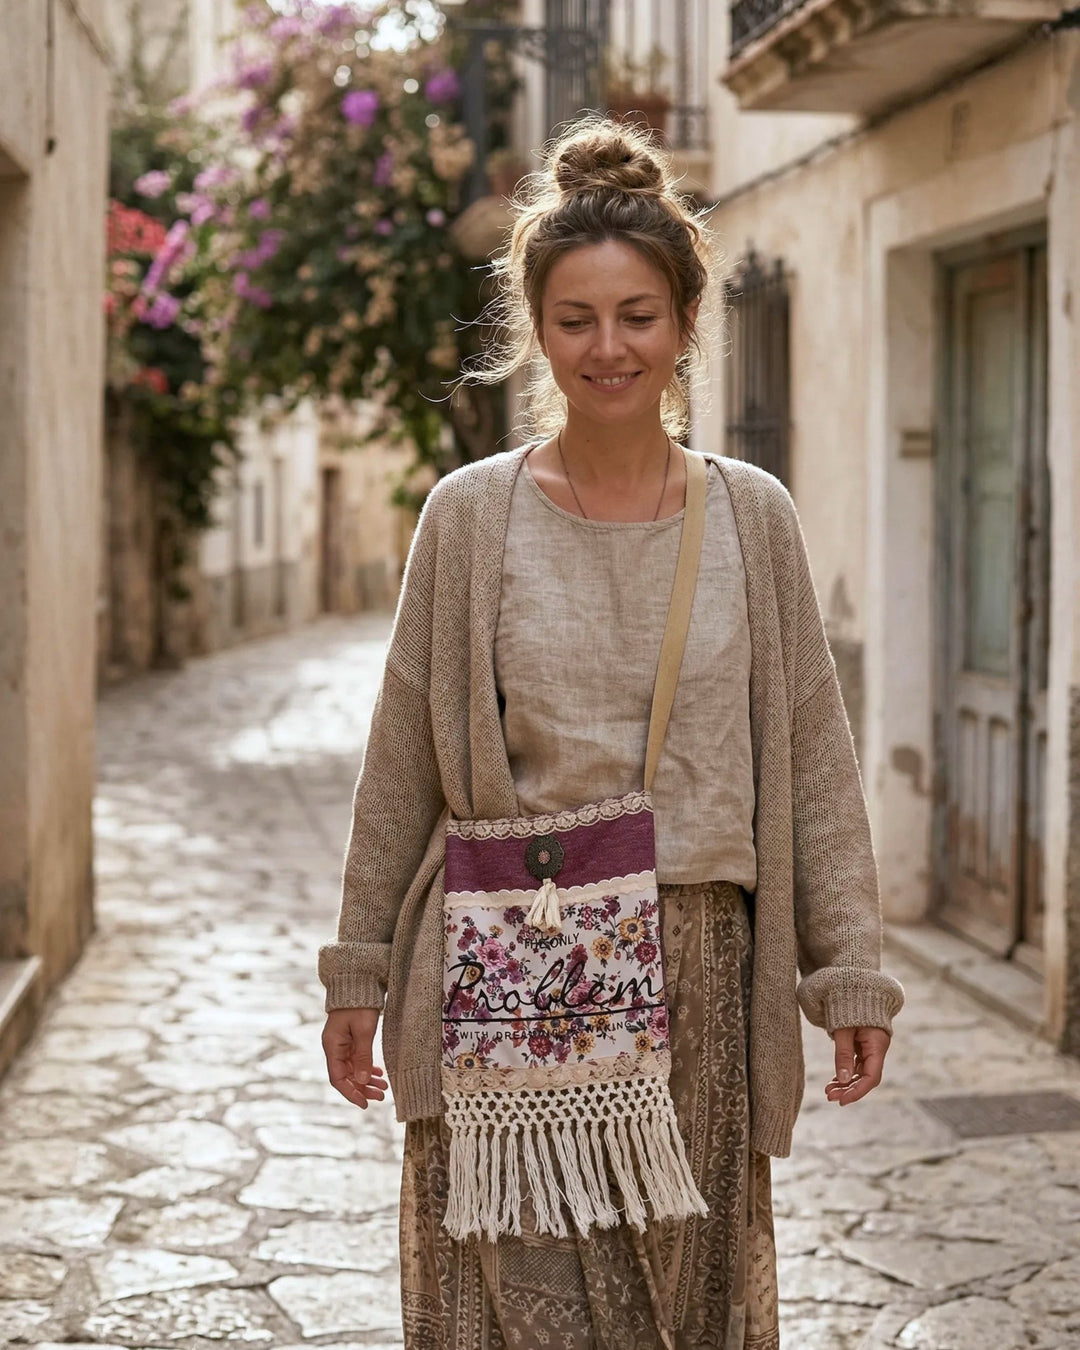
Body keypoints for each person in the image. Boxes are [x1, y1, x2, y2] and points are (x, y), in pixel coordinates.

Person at [319, 116, 904, 1350]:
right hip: (508, 967)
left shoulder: (754, 518)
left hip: (698, 971)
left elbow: (811, 757)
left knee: (676, 1317)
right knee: (503, 1304)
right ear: (537, 331)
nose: (608, 346)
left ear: (688, 322)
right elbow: (402, 762)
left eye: (637, 314)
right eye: (576, 318)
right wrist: (359, 973)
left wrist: (846, 967)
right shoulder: (469, 521)